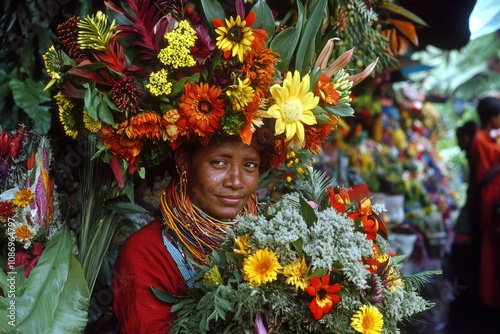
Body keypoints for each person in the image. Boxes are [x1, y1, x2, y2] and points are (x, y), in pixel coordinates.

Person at [112, 137, 264, 332]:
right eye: (219, 163)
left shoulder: (277, 236)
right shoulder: (145, 253)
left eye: (249, 165)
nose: (235, 182)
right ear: (183, 162)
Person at [469, 95, 500, 325]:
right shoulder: (479, 139)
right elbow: (482, 176)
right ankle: (487, 298)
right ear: (492, 118)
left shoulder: (489, 137)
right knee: (489, 249)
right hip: (489, 199)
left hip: (494, 196)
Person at [447, 120, 480, 329]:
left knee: (464, 263)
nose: (459, 144)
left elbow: (475, 188)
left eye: (459, 139)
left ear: (466, 138)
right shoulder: (478, 147)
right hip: (473, 216)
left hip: (474, 218)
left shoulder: (478, 149)